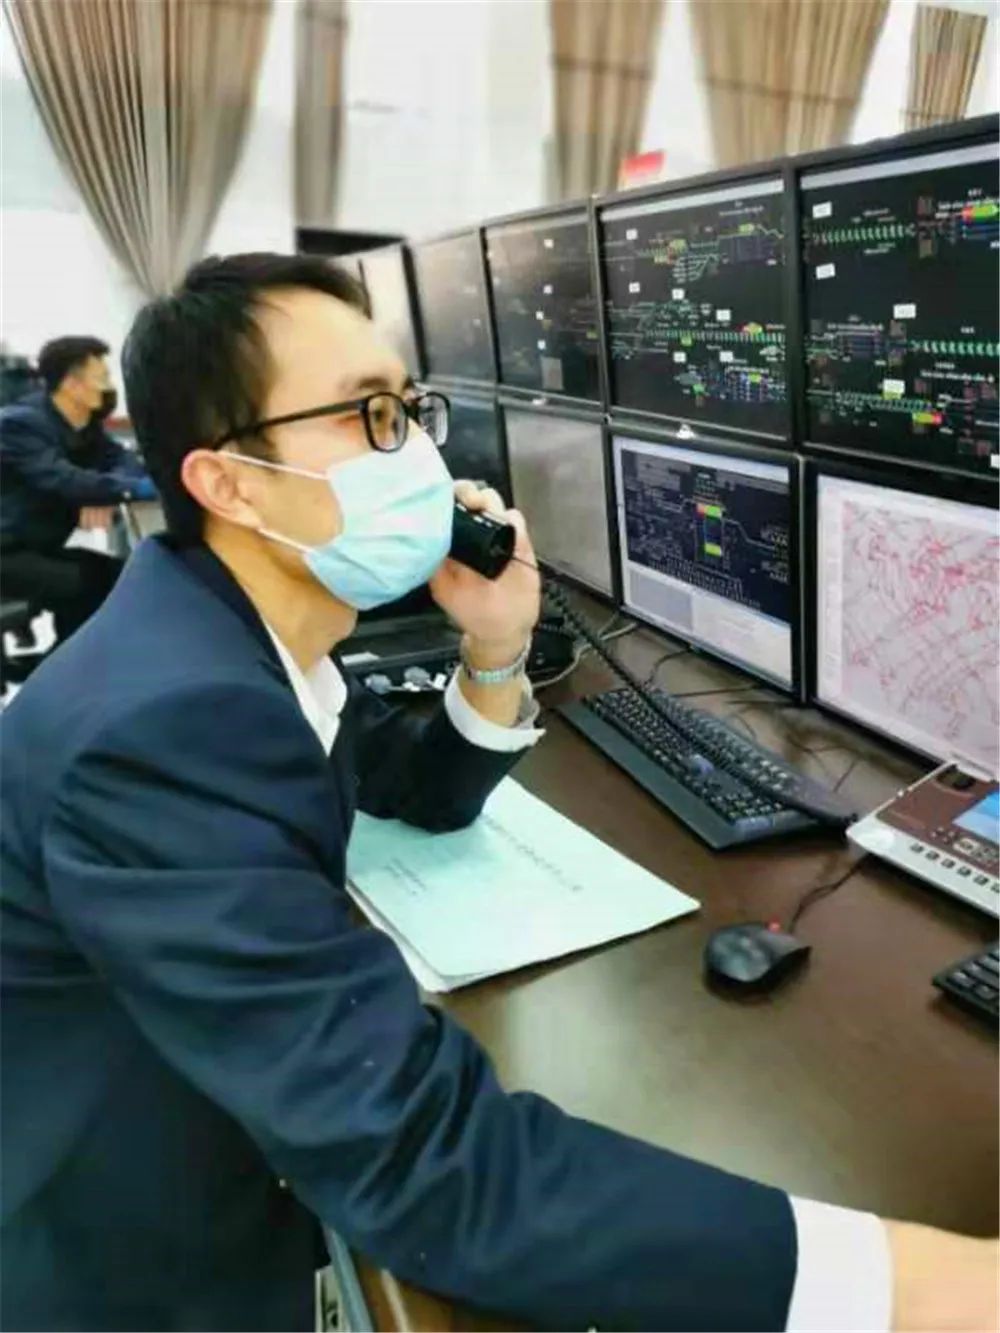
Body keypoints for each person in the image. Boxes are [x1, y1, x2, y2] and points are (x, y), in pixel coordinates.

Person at [1, 254, 995, 1333]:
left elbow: (411, 788)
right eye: (370, 416)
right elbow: (426, 1162)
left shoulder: (226, 636)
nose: (419, 455)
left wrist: (495, 643)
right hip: (125, 1256)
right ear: (230, 483)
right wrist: (910, 1287)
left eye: (409, 408)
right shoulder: (169, 725)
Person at [0, 335, 155, 644]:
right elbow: (64, 479)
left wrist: (110, 490)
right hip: (8, 552)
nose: (108, 387)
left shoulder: (81, 425)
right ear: (72, 385)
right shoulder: (21, 425)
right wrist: (131, 489)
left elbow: (121, 460)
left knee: (119, 575)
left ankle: (72, 660)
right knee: (88, 585)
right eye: (102, 378)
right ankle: (65, 665)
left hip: (36, 545)